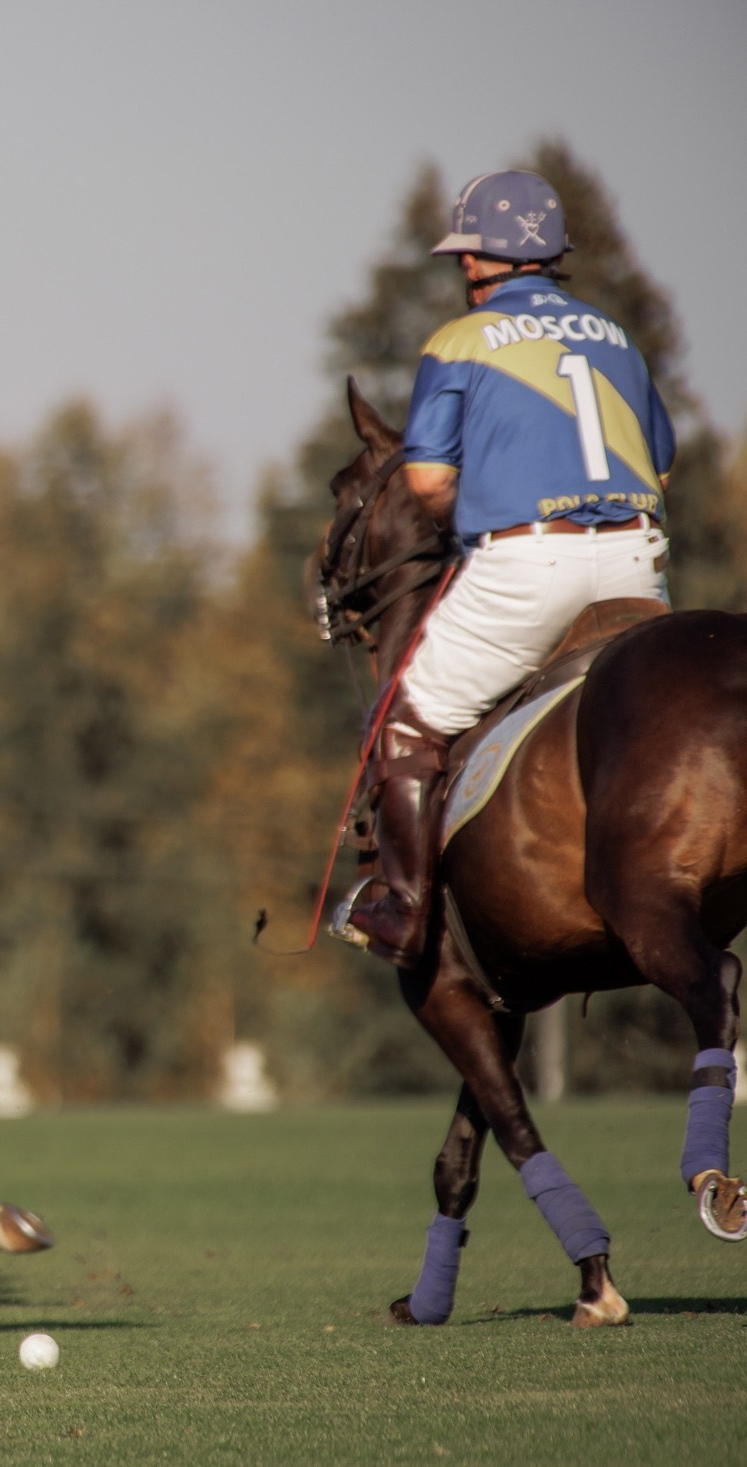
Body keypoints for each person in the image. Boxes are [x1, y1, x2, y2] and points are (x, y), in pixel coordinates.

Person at [345, 170, 674, 966]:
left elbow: (425, 482)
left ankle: (409, 911)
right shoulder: (615, 337)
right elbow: (661, 468)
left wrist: (484, 511)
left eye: (465, 257)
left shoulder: (458, 340)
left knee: (404, 715)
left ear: (481, 262)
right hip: (637, 562)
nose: (462, 271)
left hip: (529, 563)